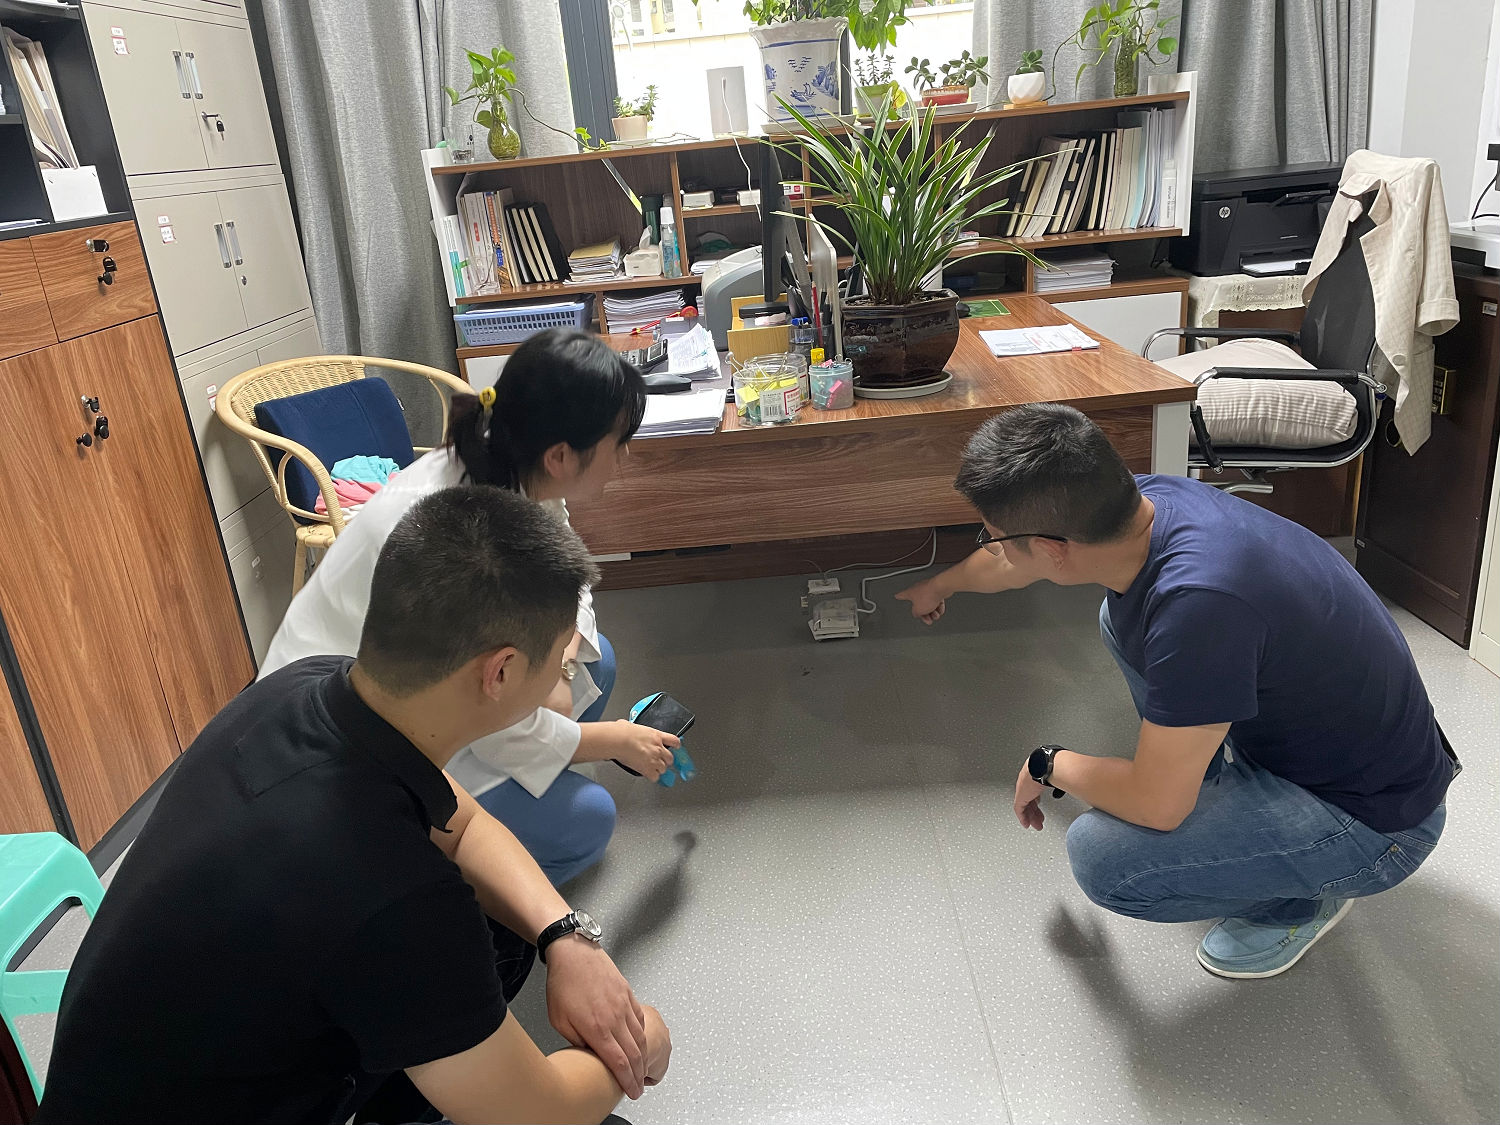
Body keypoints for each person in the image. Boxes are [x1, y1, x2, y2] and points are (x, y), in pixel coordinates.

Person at [36, 487, 672, 1125]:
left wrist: (567, 937)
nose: (568, 670)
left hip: (134, 1079)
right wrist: (640, 1038)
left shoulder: (302, 685)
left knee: (502, 929)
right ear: (499, 671)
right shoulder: (391, 891)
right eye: (563, 657)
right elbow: (540, 1112)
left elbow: (462, 826)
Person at [897, 403, 1458, 979]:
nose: (993, 546)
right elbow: (1014, 563)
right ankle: (1214, 793)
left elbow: (1157, 807)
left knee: (1105, 859)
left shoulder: (1200, 606)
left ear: (1051, 547)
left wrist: (1048, 763)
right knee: (1120, 620)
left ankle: (1300, 898)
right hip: (1339, 752)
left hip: (1376, 821)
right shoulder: (1142, 500)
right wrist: (939, 585)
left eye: (994, 537)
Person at [263, 329, 680, 887]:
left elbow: (566, 571)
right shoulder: (456, 543)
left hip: (420, 692)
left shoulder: (509, 461)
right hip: (340, 747)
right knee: (587, 823)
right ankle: (432, 875)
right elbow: (474, 711)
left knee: (593, 658)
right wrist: (611, 741)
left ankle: (532, 780)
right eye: (618, 442)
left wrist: (560, 661)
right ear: (562, 456)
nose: (624, 457)